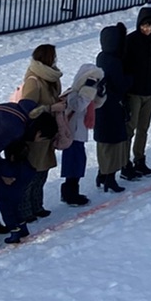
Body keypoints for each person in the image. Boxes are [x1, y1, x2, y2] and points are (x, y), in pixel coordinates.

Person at [0, 101, 54, 245]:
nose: (37, 142)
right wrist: (1, 173)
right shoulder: (14, 126)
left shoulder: (24, 116)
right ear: (39, 132)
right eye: (41, 138)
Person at [121, 7, 151, 179]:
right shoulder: (131, 41)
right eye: (144, 25)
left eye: (150, 25)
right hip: (134, 92)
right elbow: (124, 67)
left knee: (144, 128)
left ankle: (139, 159)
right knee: (130, 128)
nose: (147, 29)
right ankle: (124, 163)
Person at [18, 43, 62, 220]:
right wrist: (52, 107)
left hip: (48, 132)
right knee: (31, 173)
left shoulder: (51, 77)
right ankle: (25, 209)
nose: (56, 60)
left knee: (42, 171)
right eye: (53, 57)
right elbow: (27, 109)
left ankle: (37, 205)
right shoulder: (34, 81)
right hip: (36, 135)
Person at [93, 24, 132, 192]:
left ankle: (102, 174)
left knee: (104, 144)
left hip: (102, 107)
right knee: (114, 145)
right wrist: (130, 78)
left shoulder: (101, 57)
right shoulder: (114, 61)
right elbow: (121, 84)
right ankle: (110, 178)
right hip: (113, 107)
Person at [58, 63, 102, 205]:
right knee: (72, 165)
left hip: (79, 135)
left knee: (78, 164)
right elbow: (79, 106)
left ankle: (72, 192)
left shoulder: (84, 94)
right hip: (72, 135)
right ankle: (70, 194)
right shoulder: (73, 93)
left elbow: (94, 105)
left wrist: (100, 93)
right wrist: (88, 89)